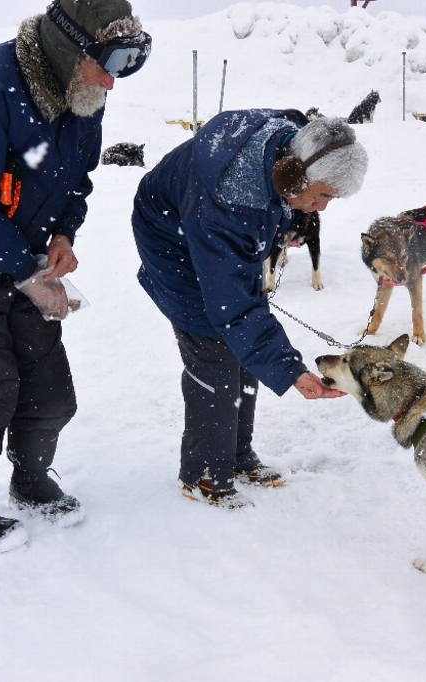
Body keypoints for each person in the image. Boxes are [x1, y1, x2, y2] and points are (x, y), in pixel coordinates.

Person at [0, 0, 152, 550]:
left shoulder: (84, 92)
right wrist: (24, 272)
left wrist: (63, 234)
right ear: (68, 46)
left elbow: (77, 178)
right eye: (108, 60)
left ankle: (31, 479)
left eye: (129, 62)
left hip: (23, 251)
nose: (113, 80)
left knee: (51, 390)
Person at [131, 111, 369, 509]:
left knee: (241, 350)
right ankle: (203, 473)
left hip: (207, 229)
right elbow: (234, 307)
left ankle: (237, 455)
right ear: (295, 174)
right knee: (213, 348)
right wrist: (291, 371)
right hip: (173, 245)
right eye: (323, 194)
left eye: (332, 198)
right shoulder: (231, 196)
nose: (323, 208)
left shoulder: (285, 149)